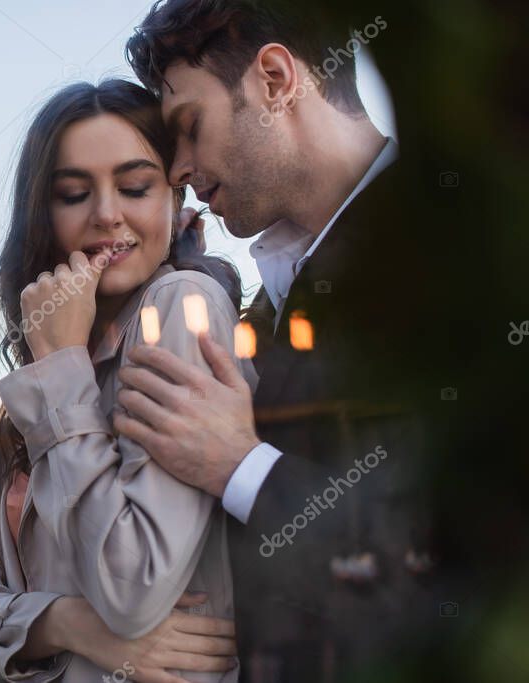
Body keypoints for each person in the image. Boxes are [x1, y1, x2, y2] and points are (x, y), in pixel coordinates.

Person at [105, 0, 461, 680]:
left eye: (189, 127)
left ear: (274, 78)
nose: (176, 168)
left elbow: (456, 556)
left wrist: (240, 465)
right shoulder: (264, 290)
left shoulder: (454, 258)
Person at [0, 78, 253, 682]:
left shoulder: (179, 307)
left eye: (134, 186)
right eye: (75, 193)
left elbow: (133, 586)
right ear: (42, 214)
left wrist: (59, 375)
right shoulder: (62, 350)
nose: (107, 214)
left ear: (174, 198)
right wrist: (66, 624)